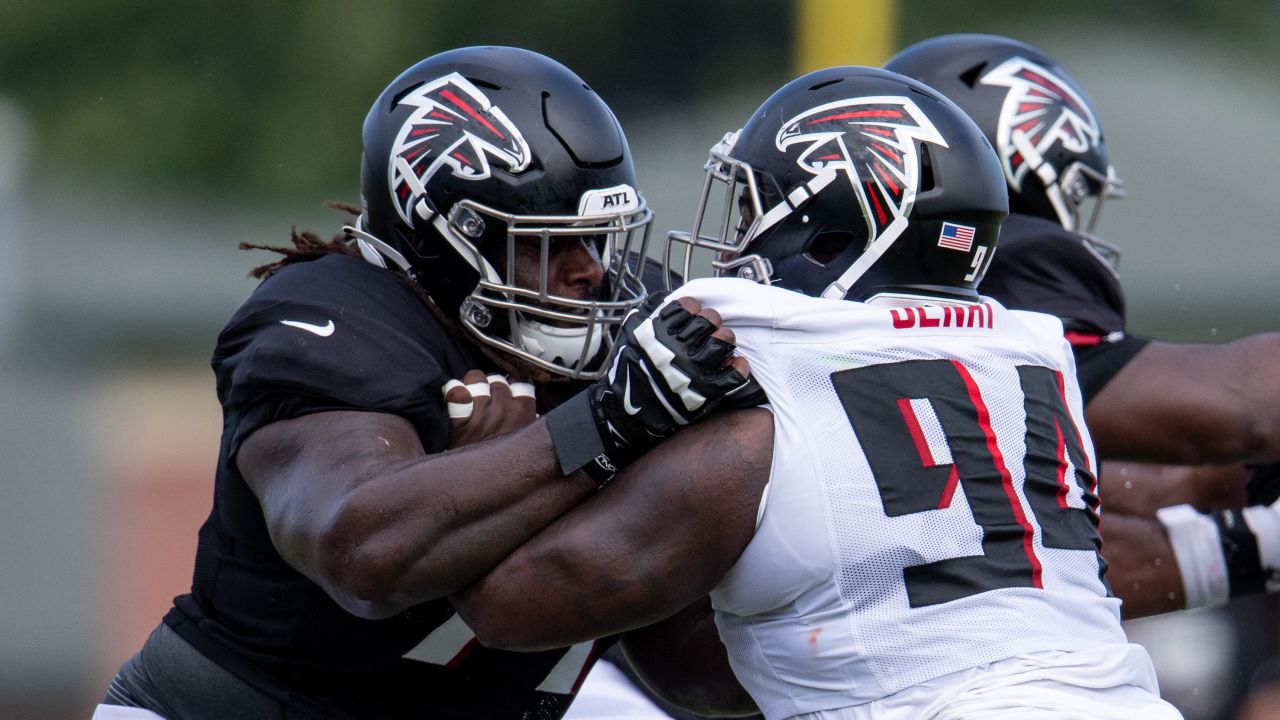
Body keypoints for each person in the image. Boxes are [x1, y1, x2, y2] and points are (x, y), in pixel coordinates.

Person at [455, 65, 1181, 719]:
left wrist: (508, 454)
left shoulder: (763, 369)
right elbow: (699, 673)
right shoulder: (1030, 355)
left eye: (752, 213)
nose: (735, 246)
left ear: (834, 239)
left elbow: (510, 607)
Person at [93, 46, 760, 720]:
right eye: (546, 243)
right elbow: (361, 553)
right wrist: (603, 427)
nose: (589, 273)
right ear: (448, 240)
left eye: (598, 240)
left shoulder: (636, 322)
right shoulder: (335, 320)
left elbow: (687, 669)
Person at [883, 33, 1280, 618]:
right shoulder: (1010, 268)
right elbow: (1247, 402)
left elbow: (1038, 525)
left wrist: (1253, 533)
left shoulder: (873, 308)